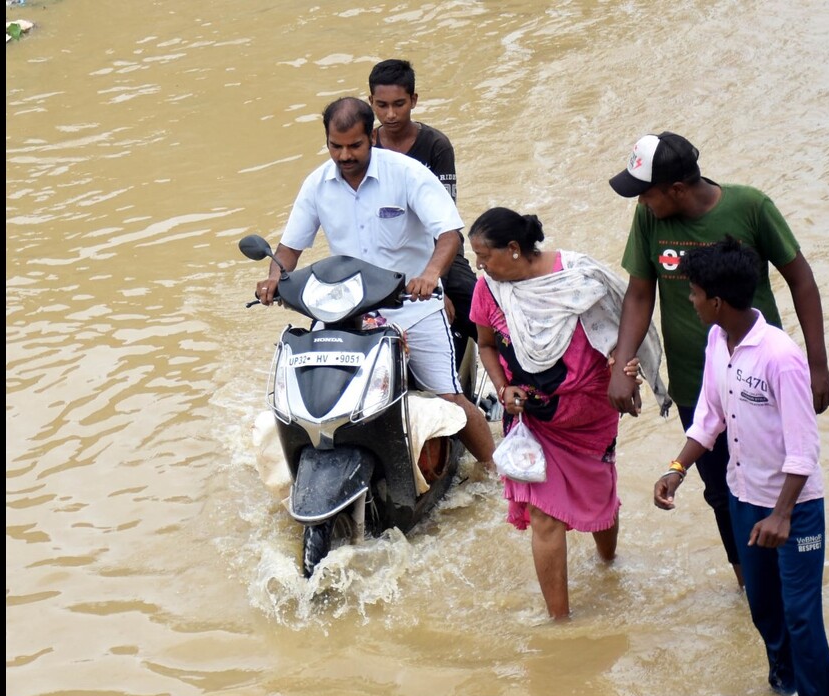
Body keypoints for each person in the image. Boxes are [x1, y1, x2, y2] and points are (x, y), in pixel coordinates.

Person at [606, 131, 829, 591]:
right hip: (698, 387)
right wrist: (621, 366)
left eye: (646, 192)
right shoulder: (649, 218)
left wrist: (817, 364)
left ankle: (792, 579)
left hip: (761, 382)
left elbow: (801, 279)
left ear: (675, 189)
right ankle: (750, 586)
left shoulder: (750, 207)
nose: (641, 202)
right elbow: (638, 292)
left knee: (778, 480)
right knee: (720, 492)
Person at [652, 235, 829, 696]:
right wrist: (678, 468)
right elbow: (711, 416)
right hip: (742, 499)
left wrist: (781, 514)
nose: (689, 302)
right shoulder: (718, 340)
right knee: (765, 611)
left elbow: (804, 448)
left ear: (716, 300)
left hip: (793, 510)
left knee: (801, 616)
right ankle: (785, 692)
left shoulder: (780, 356)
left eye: (692, 293)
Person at [252, 97, 495, 466]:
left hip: (414, 307)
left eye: (355, 145)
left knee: (447, 399)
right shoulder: (316, 184)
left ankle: (500, 474)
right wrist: (273, 278)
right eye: (336, 146)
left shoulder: (408, 174)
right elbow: (289, 249)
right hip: (344, 311)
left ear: (371, 137)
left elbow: (449, 234)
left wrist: (429, 276)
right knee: (310, 399)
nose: (345, 155)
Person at [467, 207, 669, 620]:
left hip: (589, 415)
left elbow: (616, 336)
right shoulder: (489, 289)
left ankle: (609, 565)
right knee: (543, 515)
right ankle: (561, 622)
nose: (479, 266)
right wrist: (503, 389)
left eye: (485, 256)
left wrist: (625, 371)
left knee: (599, 498)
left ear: (513, 249)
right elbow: (486, 344)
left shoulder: (577, 279)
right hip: (532, 419)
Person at [367, 59, 478, 358]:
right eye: (382, 105)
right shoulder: (362, 148)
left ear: (414, 100)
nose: (390, 114)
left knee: (483, 313)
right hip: (384, 257)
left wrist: (436, 287)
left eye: (399, 104)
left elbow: (444, 225)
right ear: (371, 103)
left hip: (438, 256)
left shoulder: (436, 146)